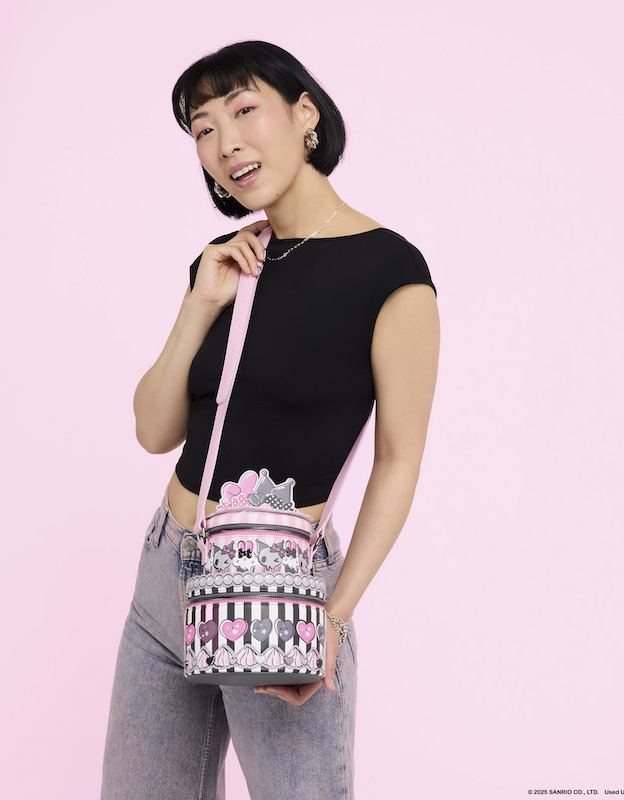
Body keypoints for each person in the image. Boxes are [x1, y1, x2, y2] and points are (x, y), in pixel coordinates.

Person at [101, 40, 440, 800]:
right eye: (202, 128)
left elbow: (399, 460)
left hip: (279, 586)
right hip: (167, 570)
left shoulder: (391, 273)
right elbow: (155, 431)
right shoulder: (224, 263)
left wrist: (336, 616)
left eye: (244, 110)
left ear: (306, 113)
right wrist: (199, 305)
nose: (225, 144)